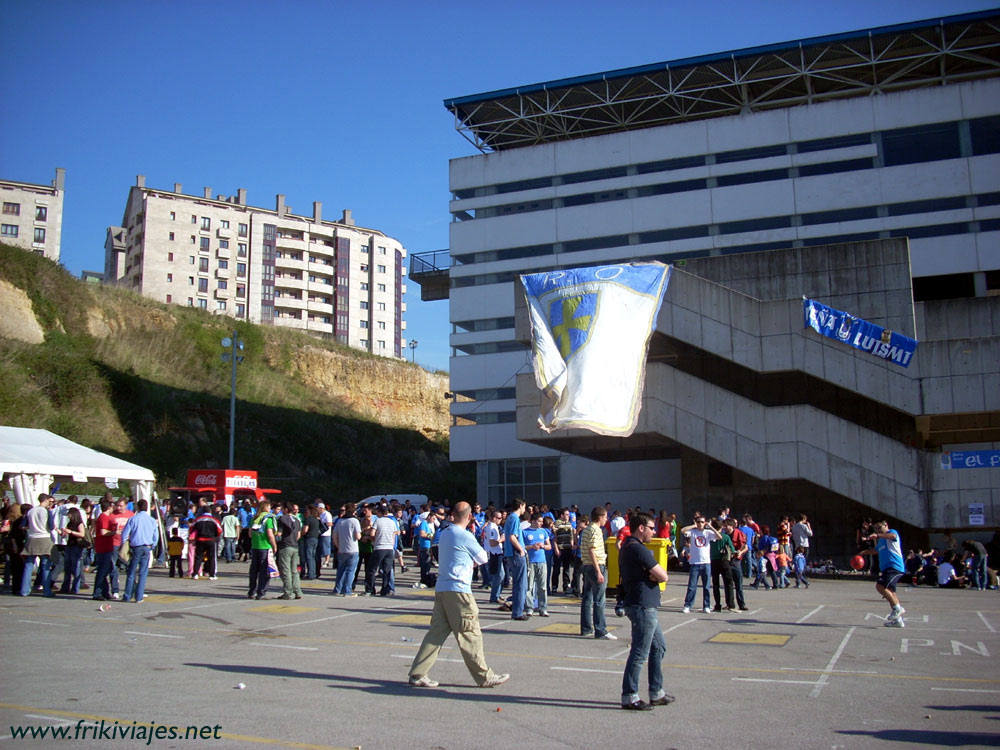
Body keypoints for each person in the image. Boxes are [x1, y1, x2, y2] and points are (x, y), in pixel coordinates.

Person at [407, 501, 510, 689]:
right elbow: (483, 557)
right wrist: (469, 564)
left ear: (452, 514)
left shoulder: (446, 533)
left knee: (436, 633)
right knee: (470, 633)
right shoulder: (465, 535)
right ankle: (484, 676)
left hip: (443, 588)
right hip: (459, 590)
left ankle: (418, 673)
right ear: (470, 517)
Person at [619, 513, 672, 710]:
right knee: (640, 652)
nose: (654, 531)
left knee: (658, 647)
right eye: (651, 527)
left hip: (644, 604)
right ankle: (630, 695)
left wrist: (653, 575)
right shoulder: (638, 549)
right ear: (641, 528)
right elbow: (663, 575)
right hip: (641, 605)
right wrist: (654, 575)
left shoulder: (629, 547)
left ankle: (656, 692)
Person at [580, 506, 616, 639]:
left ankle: (586, 628)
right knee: (599, 599)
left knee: (587, 598)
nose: (606, 520)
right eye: (605, 517)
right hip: (596, 565)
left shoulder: (587, 529)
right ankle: (601, 630)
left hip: (586, 565)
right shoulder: (596, 530)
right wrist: (598, 571)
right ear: (600, 517)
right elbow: (592, 550)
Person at [861, 520, 906, 627]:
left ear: (886, 525)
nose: (878, 530)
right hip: (886, 568)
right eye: (876, 528)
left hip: (894, 567)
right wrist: (864, 552)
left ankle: (897, 609)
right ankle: (898, 621)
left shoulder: (891, 532)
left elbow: (892, 536)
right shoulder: (881, 541)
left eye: (880, 527)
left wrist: (877, 535)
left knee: (880, 586)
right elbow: (876, 550)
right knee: (891, 592)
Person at [120, 499, 160, 603]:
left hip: (136, 547)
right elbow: (156, 535)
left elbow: (124, 534)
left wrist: (124, 544)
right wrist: (153, 545)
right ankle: (139, 596)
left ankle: (127, 595)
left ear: (137, 507)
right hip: (147, 546)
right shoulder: (151, 520)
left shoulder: (133, 519)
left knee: (131, 572)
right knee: (143, 572)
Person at [681, 515, 718, 614]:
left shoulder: (708, 533)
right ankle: (687, 605)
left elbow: (719, 536)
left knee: (706, 586)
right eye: (698, 522)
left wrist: (710, 526)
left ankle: (706, 605)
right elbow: (683, 531)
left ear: (705, 523)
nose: (700, 524)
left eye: (702, 522)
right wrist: (693, 525)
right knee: (692, 585)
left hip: (706, 562)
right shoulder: (693, 532)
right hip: (695, 563)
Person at [20, 494, 55, 597]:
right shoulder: (47, 511)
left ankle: (25, 590)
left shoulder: (30, 511)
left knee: (28, 565)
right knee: (45, 566)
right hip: (44, 538)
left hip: (32, 538)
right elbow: (51, 526)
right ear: (46, 500)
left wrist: (30, 528)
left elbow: (22, 526)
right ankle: (46, 591)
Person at [502, 499, 529, 619]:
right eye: (524, 506)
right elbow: (512, 537)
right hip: (516, 554)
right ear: (520, 505)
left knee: (519, 583)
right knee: (520, 584)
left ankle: (517, 609)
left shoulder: (510, 518)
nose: (525, 509)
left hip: (512, 554)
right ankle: (518, 612)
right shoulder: (514, 518)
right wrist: (521, 550)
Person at [247, 500, 277, 600]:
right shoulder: (268, 518)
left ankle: (252, 591)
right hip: (265, 546)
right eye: (269, 507)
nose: (270, 509)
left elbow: (250, 534)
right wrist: (274, 545)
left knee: (254, 571)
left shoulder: (254, 518)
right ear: (265, 508)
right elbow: (270, 533)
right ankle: (261, 592)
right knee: (264, 571)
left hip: (255, 546)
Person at [523, 512, 550, 617]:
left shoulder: (543, 532)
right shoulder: (524, 532)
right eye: (539, 521)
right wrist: (532, 547)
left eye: (542, 521)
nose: (541, 523)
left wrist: (543, 546)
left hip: (542, 562)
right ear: (533, 521)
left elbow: (549, 546)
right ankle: (529, 607)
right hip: (530, 562)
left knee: (542, 586)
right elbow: (522, 547)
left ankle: (543, 608)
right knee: (529, 587)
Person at [368, 504, 398, 597]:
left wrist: (373, 540)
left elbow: (372, 534)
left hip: (379, 547)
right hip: (389, 548)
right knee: (387, 570)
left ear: (380, 512)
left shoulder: (378, 521)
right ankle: (385, 590)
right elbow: (394, 534)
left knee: (372, 569)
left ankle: (370, 589)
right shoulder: (392, 522)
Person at [275, 501, 303, 600]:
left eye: (282, 509)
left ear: (286, 509)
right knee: (294, 570)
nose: (281, 511)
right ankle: (297, 591)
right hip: (295, 546)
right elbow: (298, 535)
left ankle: (288, 592)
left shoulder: (282, 519)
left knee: (285, 570)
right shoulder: (297, 520)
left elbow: (279, 533)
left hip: (285, 546)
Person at [333, 502, 362, 596]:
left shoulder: (340, 521)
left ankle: (337, 589)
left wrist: (338, 546)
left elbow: (334, 536)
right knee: (350, 570)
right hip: (352, 548)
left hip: (342, 549)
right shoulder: (354, 521)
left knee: (340, 570)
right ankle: (347, 590)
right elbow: (358, 536)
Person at [58, 507, 88, 594]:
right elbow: (65, 534)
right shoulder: (69, 523)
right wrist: (61, 532)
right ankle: (65, 587)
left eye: (69, 514)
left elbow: (82, 534)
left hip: (77, 546)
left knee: (76, 568)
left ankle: (75, 588)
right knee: (67, 567)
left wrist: (71, 532)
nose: (68, 515)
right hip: (69, 545)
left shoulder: (79, 523)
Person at [708, 518, 736, 612]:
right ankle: (730, 604)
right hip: (724, 561)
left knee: (716, 584)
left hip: (714, 560)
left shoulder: (711, 538)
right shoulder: (726, 537)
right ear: (721, 527)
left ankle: (717, 605)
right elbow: (732, 549)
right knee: (728, 583)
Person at [191, 505, 222, 580]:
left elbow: (191, 528)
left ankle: (195, 574)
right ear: (210, 511)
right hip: (211, 540)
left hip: (200, 539)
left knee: (198, 557)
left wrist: (194, 537)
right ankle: (212, 575)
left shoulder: (198, 519)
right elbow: (219, 530)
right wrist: (215, 536)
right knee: (211, 557)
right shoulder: (214, 520)